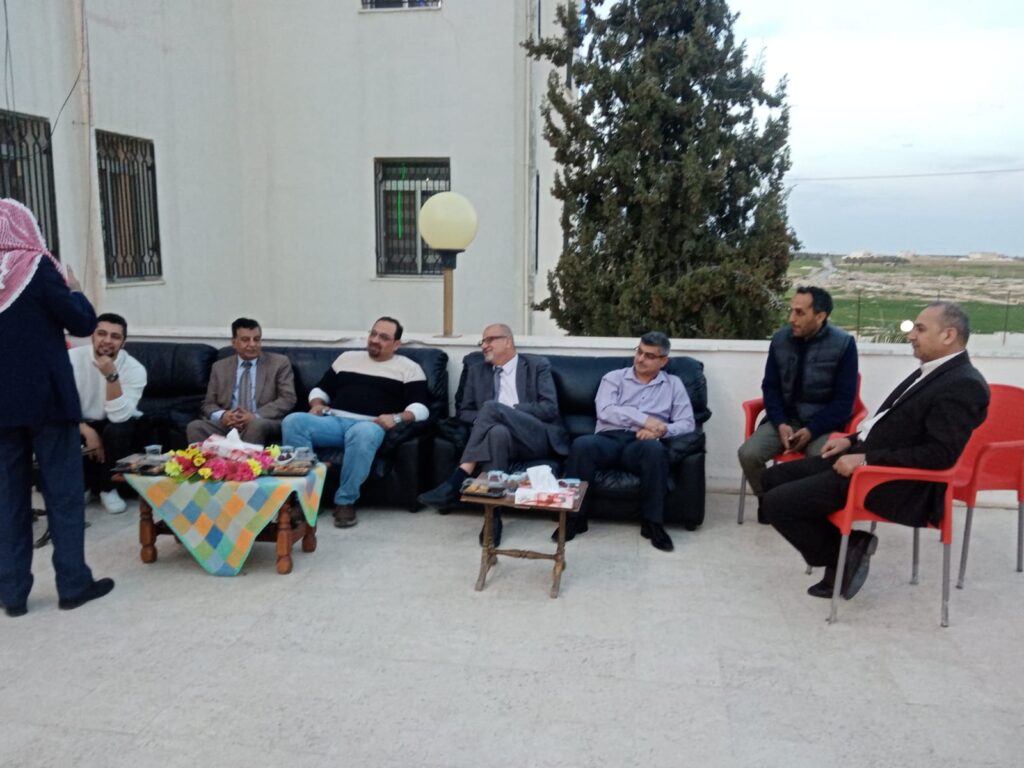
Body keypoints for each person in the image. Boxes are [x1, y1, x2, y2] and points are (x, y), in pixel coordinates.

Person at [762, 302, 989, 600]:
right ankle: (847, 548)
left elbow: (939, 455)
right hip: (865, 457)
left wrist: (866, 459)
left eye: (920, 329)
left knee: (778, 504)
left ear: (948, 335)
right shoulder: (934, 372)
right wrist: (850, 440)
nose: (911, 335)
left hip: (892, 481)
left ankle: (842, 552)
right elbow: (889, 422)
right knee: (772, 479)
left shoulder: (963, 384)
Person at [0, 199, 114, 617]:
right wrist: (75, 288)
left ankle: (12, 593)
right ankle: (72, 584)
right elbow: (83, 323)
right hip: (49, 402)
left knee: (7, 500)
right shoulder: (36, 267)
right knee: (63, 494)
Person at [417, 323, 570, 545]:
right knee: (496, 432)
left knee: (491, 407)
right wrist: (491, 419)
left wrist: (507, 411)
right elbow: (464, 411)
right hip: (502, 439)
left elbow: (549, 408)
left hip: (536, 436)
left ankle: (459, 477)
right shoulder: (477, 371)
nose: (484, 346)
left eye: (489, 340)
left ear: (507, 341)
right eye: (482, 341)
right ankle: (493, 517)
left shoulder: (536, 365)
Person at [282, 317, 429, 528]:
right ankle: (306, 499)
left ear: (396, 344)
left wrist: (396, 417)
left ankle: (345, 501)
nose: (375, 340)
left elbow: (421, 409)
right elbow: (321, 389)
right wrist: (317, 404)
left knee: (361, 433)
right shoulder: (346, 358)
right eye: (373, 334)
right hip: (334, 421)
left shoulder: (409, 368)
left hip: (370, 425)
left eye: (384, 337)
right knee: (293, 421)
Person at [562, 331, 695, 552]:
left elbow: (688, 423)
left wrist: (661, 430)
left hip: (641, 443)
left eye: (649, 356)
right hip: (608, 438)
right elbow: (605, 411)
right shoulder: (614, 377)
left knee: (654, 451)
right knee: (582, 445)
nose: (640, 359)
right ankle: (575, 519)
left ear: (663, 361)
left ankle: (653, 523)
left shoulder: (673, 384)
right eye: (639, 352)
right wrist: (644, 419)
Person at [737, 286, 858, 523]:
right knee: (748, 454)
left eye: (799, 312)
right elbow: (770, 387)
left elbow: (844, 401)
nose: (791, 318)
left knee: (820, 461)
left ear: (820, 316)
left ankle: (804, 509)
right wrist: (780, 422)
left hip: (822, 424)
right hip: (784, 421)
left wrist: (812, 429)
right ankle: (768, 501)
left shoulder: (843, 344)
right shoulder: (780, 340)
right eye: (791, 310)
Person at [70, 312, 148, 514]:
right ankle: (83, 486)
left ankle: (108, 488)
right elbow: (59, 403)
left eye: (115, 336)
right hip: (79, 420)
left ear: (123, 342)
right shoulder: (71, 359)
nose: (107, 340)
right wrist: (87, 431)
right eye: (102, 333)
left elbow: (119, 416)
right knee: (58, 425)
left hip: (115, 421)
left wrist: (111, 376)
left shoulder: (134, 369)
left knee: (118, 430)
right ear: (92, 335)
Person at [186, 317, 296, 446]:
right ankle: (214, 460)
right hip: (229, 423)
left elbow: (288, 399)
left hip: (262, 420)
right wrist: (223, 415)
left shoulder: (279, 363)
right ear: (234, 343)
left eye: (256, 339)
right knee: (195, 427)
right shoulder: (219, 367)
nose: (252, 344)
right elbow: (208, 404)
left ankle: (246, 459)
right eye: (245, 340)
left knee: (256, 425)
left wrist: (255, 416)